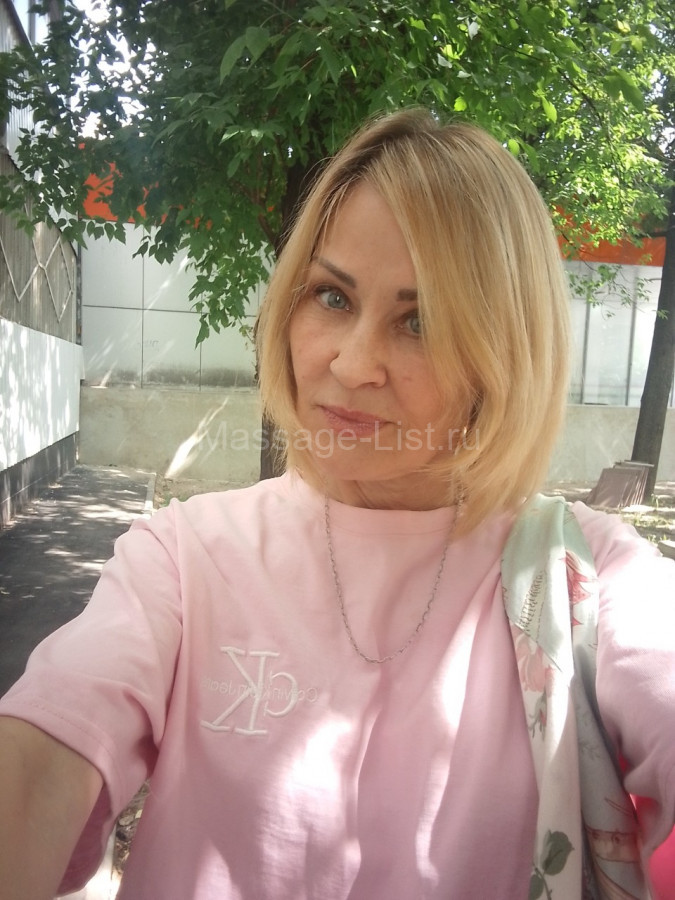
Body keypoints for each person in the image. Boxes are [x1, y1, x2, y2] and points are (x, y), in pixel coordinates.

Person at [0, 108, 673, 900]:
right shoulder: (183, 559)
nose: (353, 365)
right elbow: (44, 754)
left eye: (419, 321)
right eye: (331, 296)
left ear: (505, 354)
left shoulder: (589, 575)